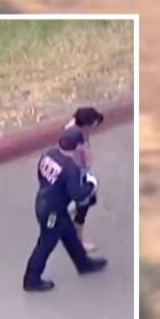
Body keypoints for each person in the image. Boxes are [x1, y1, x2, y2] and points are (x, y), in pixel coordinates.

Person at [22, 124, 108, 292]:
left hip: (46, 202)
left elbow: (41, 175)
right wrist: (91, 184)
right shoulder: (71, 168)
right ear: (77, 146)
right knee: (46, 243)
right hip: (52, 212)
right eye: (82, 145)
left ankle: (83, 264)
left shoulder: (49, 154)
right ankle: (31, 279)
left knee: (69, 235)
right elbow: (78, 194)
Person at [66, 106, 105, 252]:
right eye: (94, 123)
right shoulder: (79, 140)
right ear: (87, 124)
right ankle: (78, 242)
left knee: (87, 201)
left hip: (73, 175)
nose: (96, 125)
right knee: (83, 208)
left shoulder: (71, 128)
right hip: (77, 177)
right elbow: (87, 161)